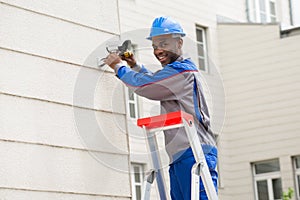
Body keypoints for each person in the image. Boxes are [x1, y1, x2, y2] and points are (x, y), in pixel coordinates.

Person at [104, 16, 218, 200]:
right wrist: (134, 65)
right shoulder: (175, 71)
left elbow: (148, 86)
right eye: (155, 46)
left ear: (179, 43)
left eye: (163, 43)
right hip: (181, 155)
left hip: (195, 152)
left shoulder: (182, 71)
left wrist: (118, 67)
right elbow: (155, 80)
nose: (158, 50)